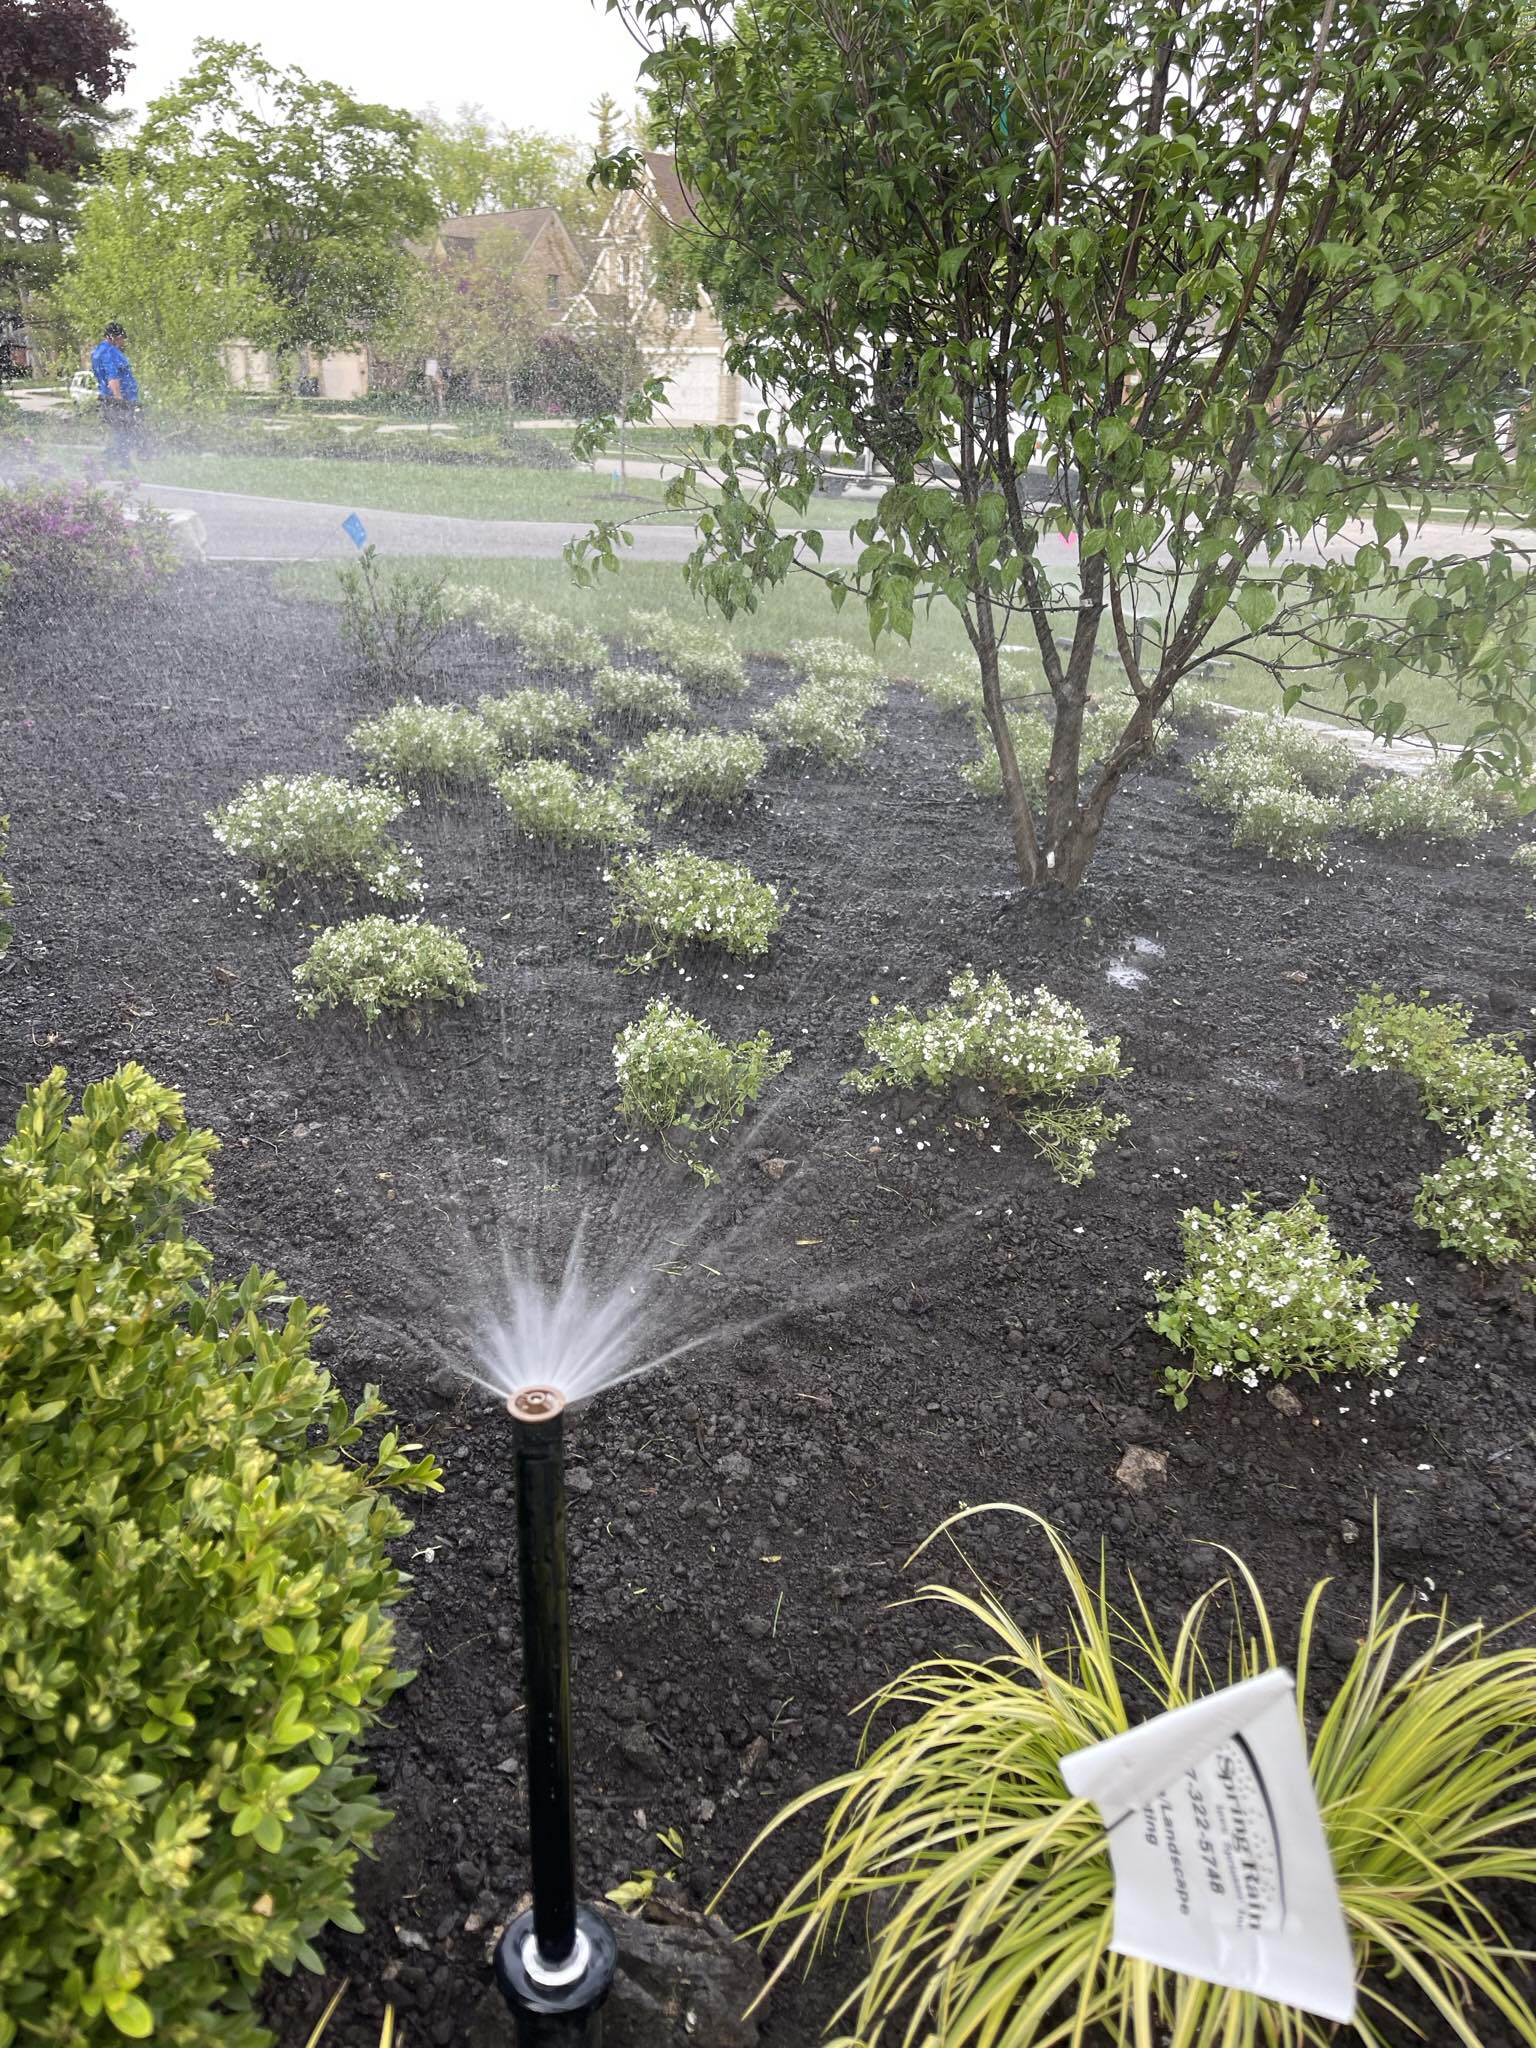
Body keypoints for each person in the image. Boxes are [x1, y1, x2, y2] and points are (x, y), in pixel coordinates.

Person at [90, 321, 140, 468]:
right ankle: (106, 462)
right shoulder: (110, 353)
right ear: (113, 337)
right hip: (117, 401)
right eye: (121, 338)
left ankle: (120, 464)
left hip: (108, 400)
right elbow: (112, 378)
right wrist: (120, 400)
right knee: (125, 434)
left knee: (123, 434)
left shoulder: (99, 351)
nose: (123, 342)